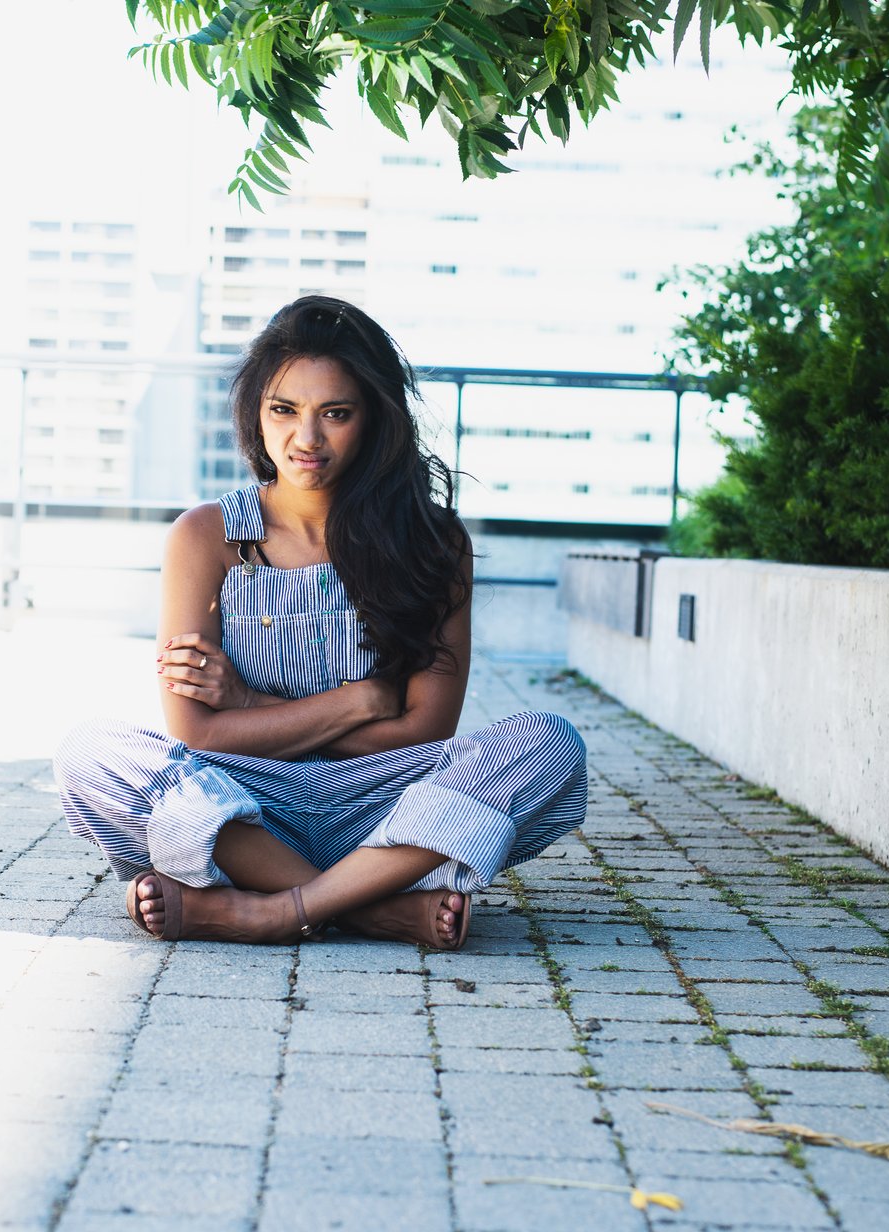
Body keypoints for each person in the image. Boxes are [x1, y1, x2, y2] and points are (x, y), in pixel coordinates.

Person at [56, 295, 587, 948]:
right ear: (256, 413)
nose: (305, 440)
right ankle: (371, 909)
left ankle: (267, 910)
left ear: (372, 420)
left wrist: (248, 705)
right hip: (247, 806)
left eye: (335, 413)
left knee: (548, 743)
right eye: (284, 410)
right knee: (90, 755)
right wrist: (363, 701)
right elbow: (198, 733)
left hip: (383, 806)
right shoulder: (206, 537)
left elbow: (423, 730)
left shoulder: (430, 542)